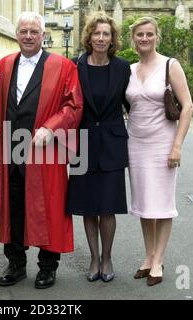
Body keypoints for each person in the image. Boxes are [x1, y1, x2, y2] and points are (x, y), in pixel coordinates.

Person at [0, 11, 83, 289]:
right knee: (13, 206)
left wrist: (51, 128)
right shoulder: (4, 64)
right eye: (23, 31)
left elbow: (73, 106)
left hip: (46, 150)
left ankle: (47, 267)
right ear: (16, 34)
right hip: (10, 148)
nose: (28, 36)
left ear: (43, 35)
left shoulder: (64, 66)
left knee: (48, 207)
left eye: (34, 32)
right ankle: (16, 264)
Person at [126, 17, 193, 286]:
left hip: (163, 144)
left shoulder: (170, 65)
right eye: (140, 35)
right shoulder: (129, 69)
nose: (144, 38)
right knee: (144, 204)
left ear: (157, 37)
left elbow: (187, 106)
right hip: (136, 144)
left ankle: (158, 260)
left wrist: (177, 145)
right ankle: (148, 255)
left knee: (163, 205)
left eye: (149, 34)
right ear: (133, 39)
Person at [66, 12, 131, 282]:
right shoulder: (75, 66)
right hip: (82, 145)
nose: (101, 38)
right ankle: (94, 258)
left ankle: (107, 258)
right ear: (89, 37)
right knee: (88, 207)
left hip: (112, 145)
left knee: (108, 207)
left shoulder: (123, 67)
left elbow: (134, 104)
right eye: (97, 33)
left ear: (112, 38)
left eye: (106, 34)